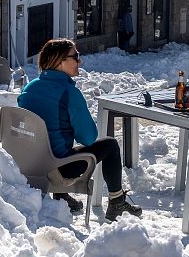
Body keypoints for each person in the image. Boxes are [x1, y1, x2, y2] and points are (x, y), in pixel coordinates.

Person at [17, 38, 142, 221]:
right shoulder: (68, 93)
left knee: (58, 146)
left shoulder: (28, 89)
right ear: (59, 61)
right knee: (110, 145)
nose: (79, 61)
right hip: (58, 169)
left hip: (30, 163)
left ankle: (61, 198)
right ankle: (117, 201)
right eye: (75, 56)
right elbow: (89, 138)